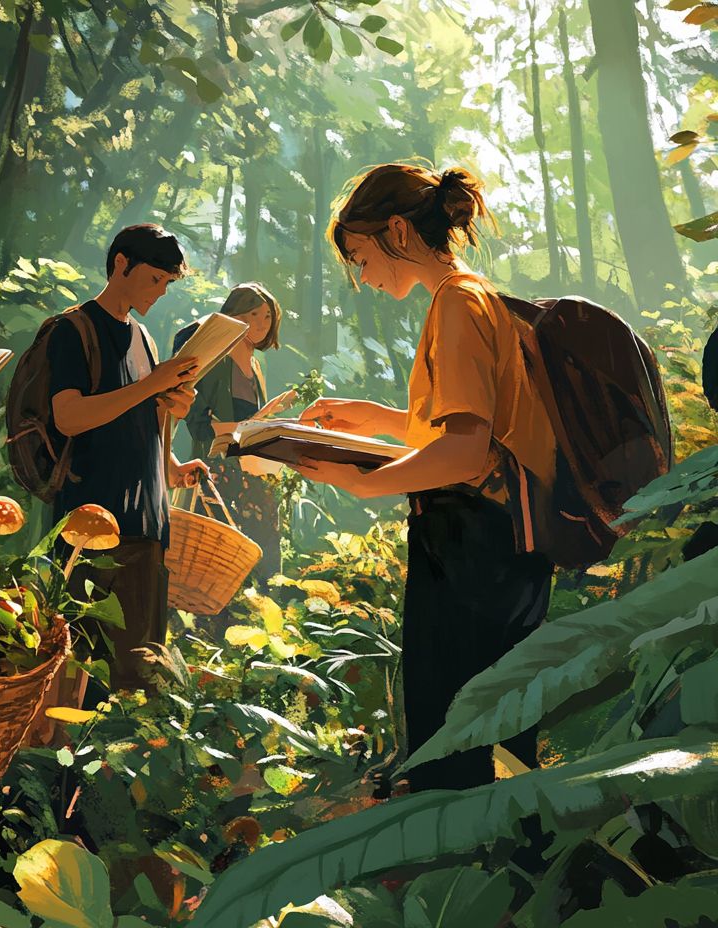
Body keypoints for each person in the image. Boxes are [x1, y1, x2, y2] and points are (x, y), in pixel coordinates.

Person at [293, 163, 556, 792]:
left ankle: (463, 869)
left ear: (398, 232)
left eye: (359, 256)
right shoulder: (472, 295)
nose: (361, 277)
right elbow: (478, 431)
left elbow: (464, 455)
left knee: (458, 727)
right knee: (495, 720)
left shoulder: (458, 307)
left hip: (474, 548)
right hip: (498, 543)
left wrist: (363, 483)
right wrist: (380, 419)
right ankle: (502, 863)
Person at [47, 223, 209, 691]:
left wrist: (173, 442)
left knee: (142, 666)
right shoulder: (72, 329)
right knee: (82, 665)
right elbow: (69, 416)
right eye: (154, 278)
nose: (160, 292)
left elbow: (147, 422)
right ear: (121, 264)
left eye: (166, 283)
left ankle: (125, 761)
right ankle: (65, 762)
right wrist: (151, 386)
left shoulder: (144, 339)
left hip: (149, 525)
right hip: (90, 522)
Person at [173, 283, 294, 582]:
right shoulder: (215, 359)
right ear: (235, 312)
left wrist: (271, 423)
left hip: (253, 476)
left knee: (257, 564)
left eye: (267, 317)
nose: (261, 324)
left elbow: (252, 427)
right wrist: (258, 420)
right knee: (213, 562)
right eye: (254, 314)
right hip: (218, 474)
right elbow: (198, 426)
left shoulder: (256, 366)